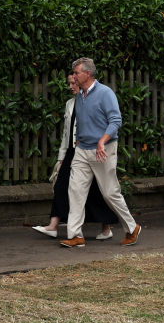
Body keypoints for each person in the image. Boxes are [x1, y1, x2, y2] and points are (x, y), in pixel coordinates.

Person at [60, 58, 141, 248]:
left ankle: (132, 228)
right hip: (82, 150)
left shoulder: (105, 93)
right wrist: (79, 138)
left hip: (103, 149)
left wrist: (102, 141)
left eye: (76, 73)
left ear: (88, 74)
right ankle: (75, 235)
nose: (74, 76)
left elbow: (116, 120)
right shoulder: (80, 96)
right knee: (75, 190)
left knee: (110, 192)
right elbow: (83, 121)